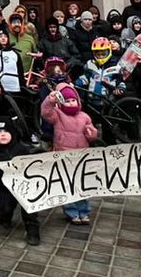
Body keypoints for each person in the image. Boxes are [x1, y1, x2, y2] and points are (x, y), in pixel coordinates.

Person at [39, 84, 98, 225]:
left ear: (78, 101)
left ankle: (84, 211)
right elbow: (46, 112)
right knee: (67, 185)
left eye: (73, 100)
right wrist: (50, 100)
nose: (71, 103)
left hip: (81, 157)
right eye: (67, 101)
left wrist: (92, 134)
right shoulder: (58, 115)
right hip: (63, 157)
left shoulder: (85, 117)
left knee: (81, 185)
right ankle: (71, 212)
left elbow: (92, 134)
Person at [0, 117, 40, 246]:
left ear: (12, 133)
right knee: (6, 207)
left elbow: (32, 168)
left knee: (30, 206)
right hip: (3, 188)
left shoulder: (21, 149)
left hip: (23, 187)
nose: (3, 134)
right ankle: (5, 218)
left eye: (6, 131)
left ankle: (32, 229)